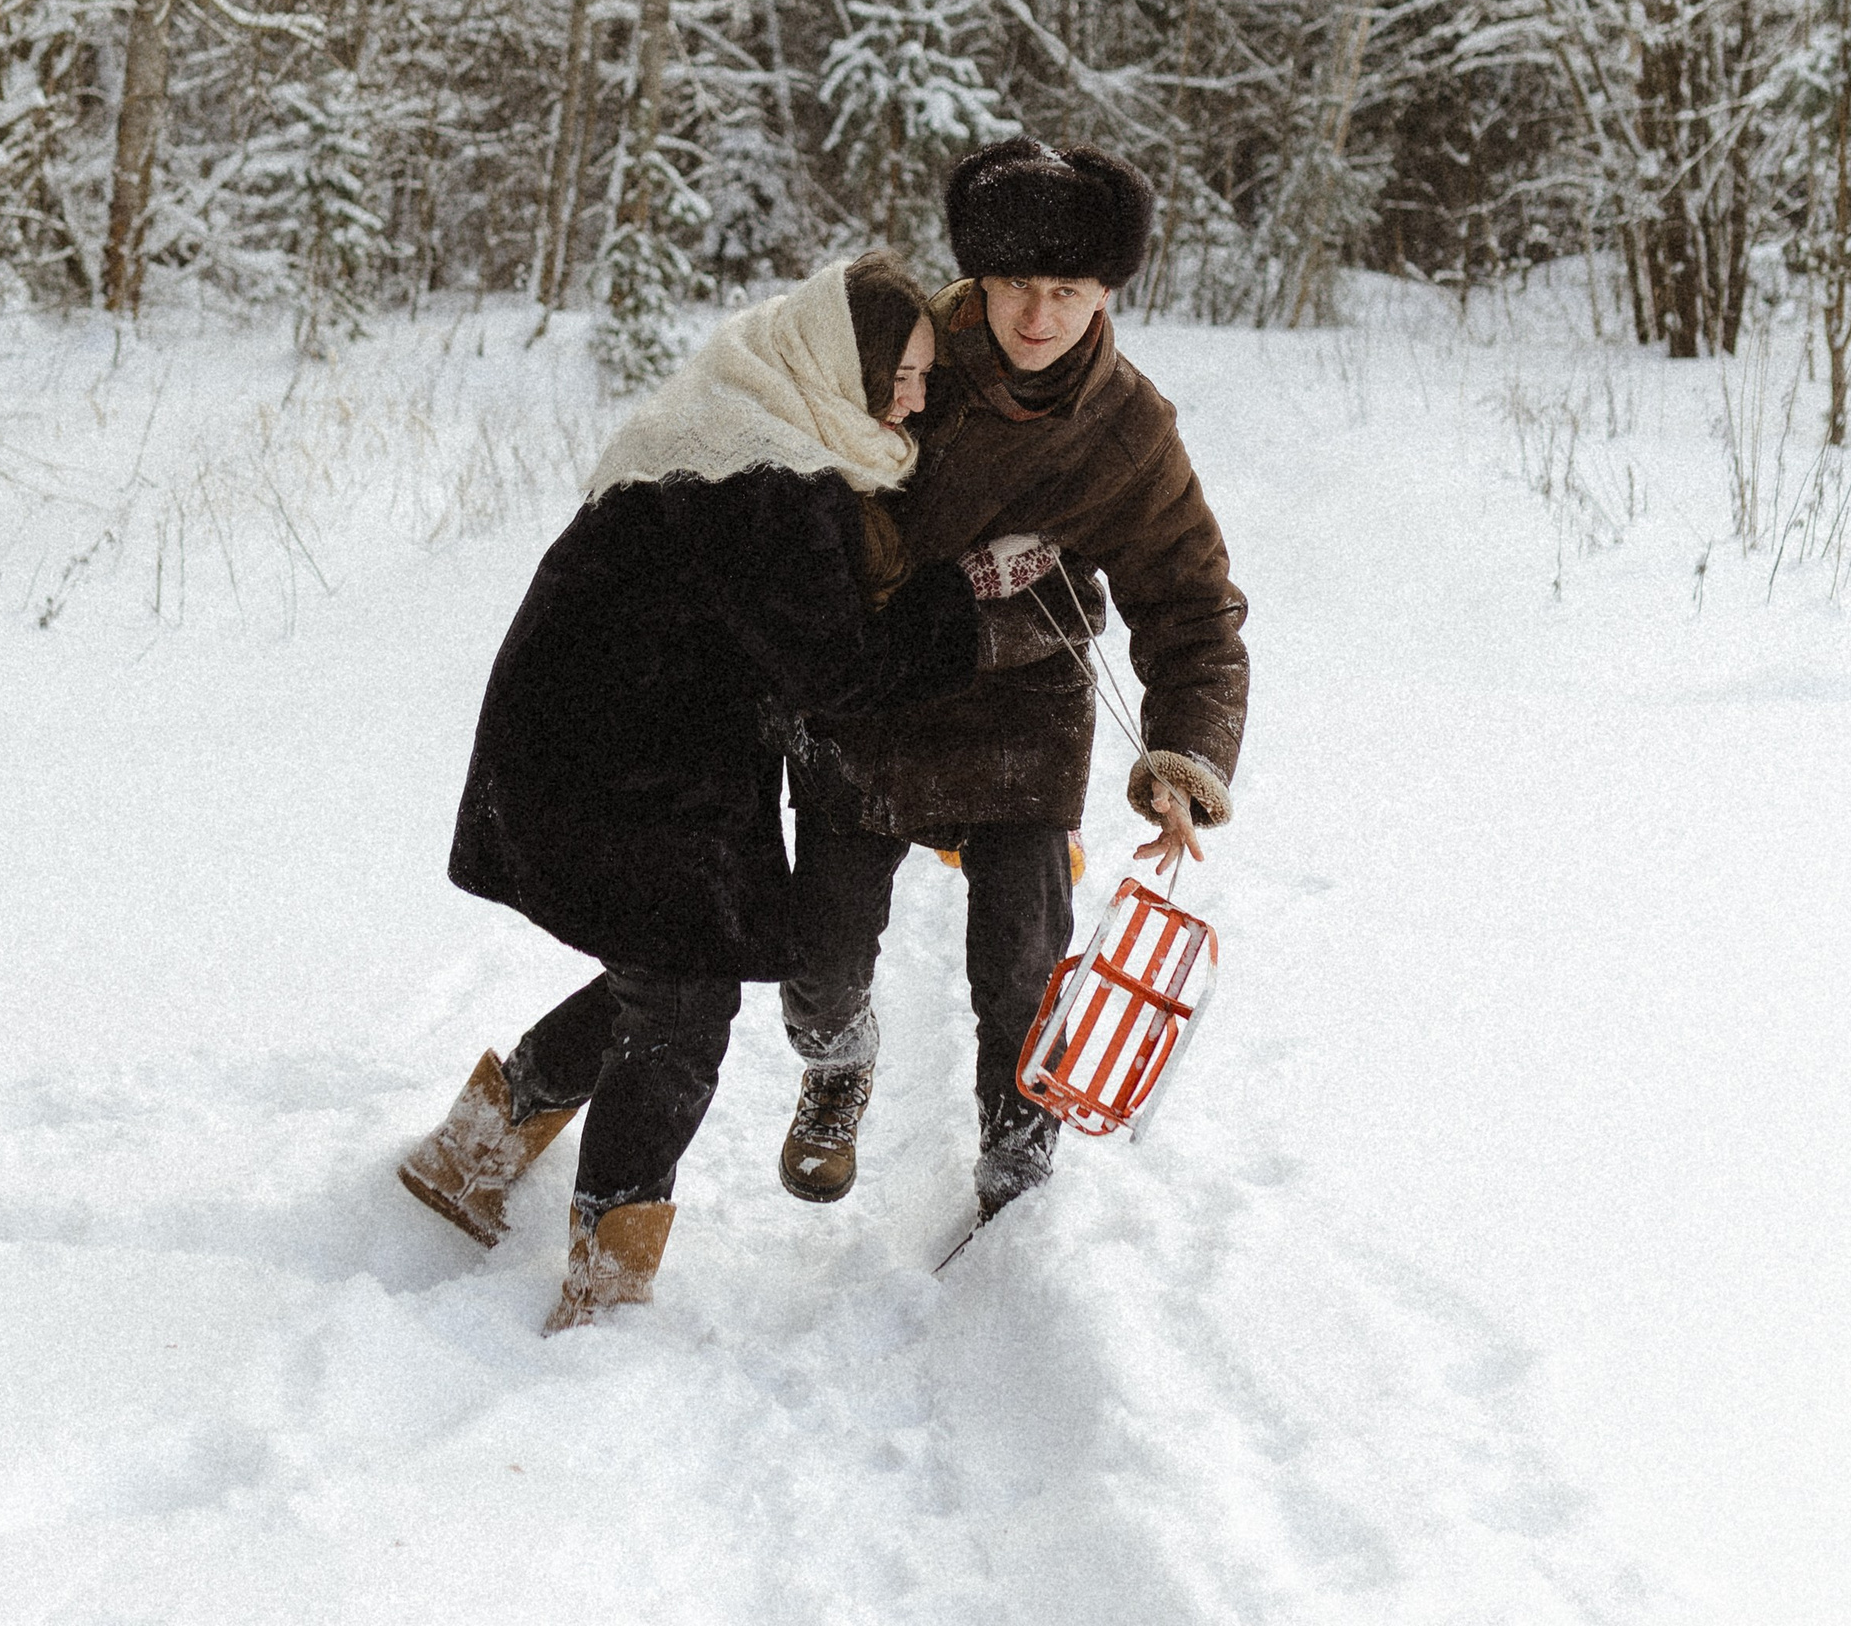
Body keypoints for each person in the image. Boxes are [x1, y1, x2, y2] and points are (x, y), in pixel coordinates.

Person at [398, 252, 986, 1330]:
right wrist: (973, 603)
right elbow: (837, 668)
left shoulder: (729, 416)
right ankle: (605, 1279)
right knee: (683, 999)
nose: (913, 395)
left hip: (593, 738)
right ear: (839, 360)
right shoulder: (766, 478)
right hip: (628, 763)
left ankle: (474, 1150)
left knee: (664, 971)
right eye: (900, 371)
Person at [776, 137, 1249, 1226]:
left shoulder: (1128, 427)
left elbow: (1191, 598)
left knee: (1023, 956)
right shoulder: (897, 360)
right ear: (978, 282)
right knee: (822, 949)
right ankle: (837, 1060)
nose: (1039, 317)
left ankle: (1016, 1147)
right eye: (1016, 288)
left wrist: (1184, 751)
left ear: (1105, 292)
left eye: (1068, 291)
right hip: (872, 690)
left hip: (1017, 702)